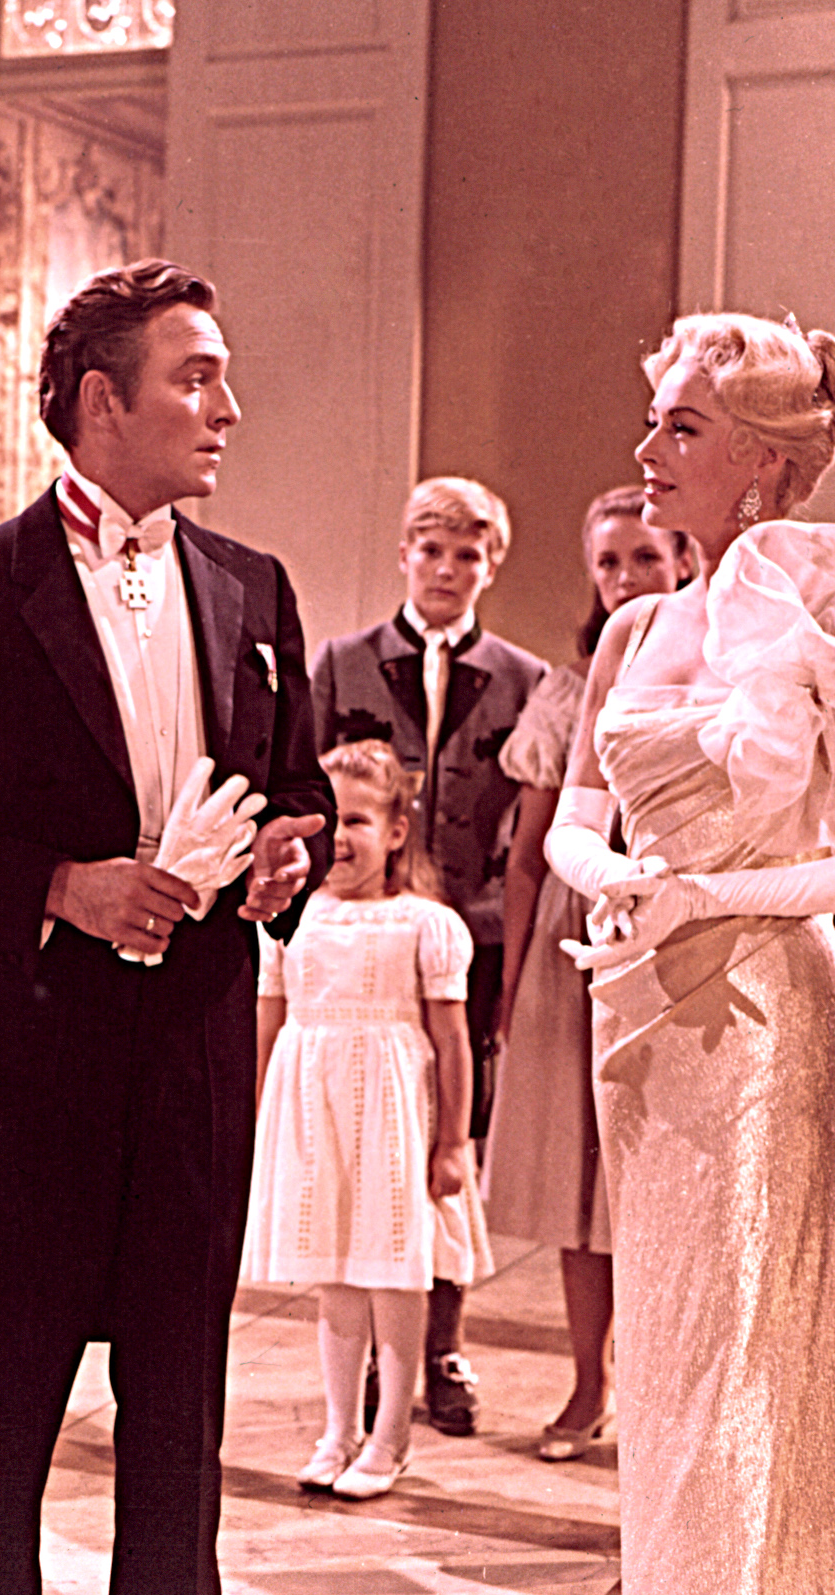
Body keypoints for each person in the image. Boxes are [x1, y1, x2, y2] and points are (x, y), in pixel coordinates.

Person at [0, 259, 333, 1595]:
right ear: (102, 401)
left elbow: (297, 788)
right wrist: (61, 886)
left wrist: (288, 857)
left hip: (194, 1068)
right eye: (197, 377)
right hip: (23, 1072)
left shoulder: (255, 588)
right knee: (2, 1421)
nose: (227, 407)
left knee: (179, 1422)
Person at [546, 312, 835, 1595]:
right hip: (642, 1009)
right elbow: (571, 819)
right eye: (653, 421)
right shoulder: (630, 632)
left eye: (681, 427)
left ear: (762, 463)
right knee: (672, 1340)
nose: (646, 451)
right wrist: (618, 880)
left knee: (742, 1345)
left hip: (763, 1016)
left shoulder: (829, 607)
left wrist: (710, 896)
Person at [308, 475, 546, 1437]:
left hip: (469, 930)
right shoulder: (343, 663)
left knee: (450, 1136)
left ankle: (442, 1342)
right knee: (364, 1138)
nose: (447, 570)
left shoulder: (525, 678)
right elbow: (311, 794)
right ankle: (370, 1350)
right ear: (405, 553)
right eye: (432, 550)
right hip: (366, 929)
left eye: (467, 555)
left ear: (491, 565)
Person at [484, 487, 695, 1461]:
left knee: (664, 1176)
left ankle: (666, 1391)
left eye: (645, 558)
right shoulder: (568, 693)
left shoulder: (713, 677)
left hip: (681, 934)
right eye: (607, 562)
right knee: (580, 1176)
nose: (624, 579)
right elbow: (531, 856)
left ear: (683, 562)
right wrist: (517, 983)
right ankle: (587, 1381)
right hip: (575, 940)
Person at [244, 741, 491, 1499]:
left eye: (358, 820)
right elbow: (267, 1029)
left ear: (395, 831)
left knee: (393, 1274)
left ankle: (391, 1436)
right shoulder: (291, 922)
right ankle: (338, 1429)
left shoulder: (425, 924)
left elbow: (453, 1044)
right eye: (328, 823)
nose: (341, 839)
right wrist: (258, 1125)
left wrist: (452, 1143)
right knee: (335, 1277)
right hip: (317, 1122)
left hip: (394, 1126)